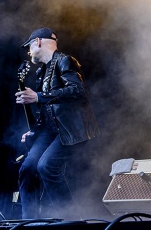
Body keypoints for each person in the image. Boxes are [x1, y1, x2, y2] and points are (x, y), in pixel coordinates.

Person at [15, 27, 100, 219]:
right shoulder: (42, 72)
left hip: (72, 128)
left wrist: (38, 96)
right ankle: (28, 222)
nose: (29, 52)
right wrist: (34, 132)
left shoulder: (65, 60)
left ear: (37, 42)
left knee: (46, 166)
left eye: (29, 46)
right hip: (50, 130)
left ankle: (69, 218)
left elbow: (77, 91)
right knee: (28, 168)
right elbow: (47, 111)